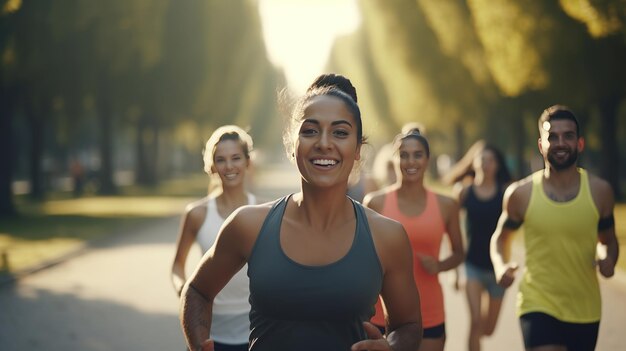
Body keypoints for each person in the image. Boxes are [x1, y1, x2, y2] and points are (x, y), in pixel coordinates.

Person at [180, 74, 422, 351]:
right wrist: (199, 343)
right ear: (290, 145)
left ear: (358, 149)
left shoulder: (387, 236)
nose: (324, 143)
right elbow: (198, 290)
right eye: (309, 131)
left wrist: (393, 348)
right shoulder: (248, 225)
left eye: (340, 132)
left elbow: (409, 326)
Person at [491, 105, 620, 351]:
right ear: (541, 145)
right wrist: (500, 266)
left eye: (568, 136)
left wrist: (608, 258)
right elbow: (500, 238)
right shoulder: (521, 194)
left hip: (585, 308)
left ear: (579, 143)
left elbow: (608, 240)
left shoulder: (600, 192)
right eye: (553, 137)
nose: (560, 143)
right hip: (537, 302)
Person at [363, 127, 465, 351]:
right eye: (404, 155)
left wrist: (439, 265)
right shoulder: (375, 203)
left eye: (417, 154)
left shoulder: (446, 205)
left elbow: (459, 252)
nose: (411, 161)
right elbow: (360, 256)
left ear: (427, 159)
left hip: (429, 312)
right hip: (381, 314)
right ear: (395, 159)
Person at [171, 125, 256, 351]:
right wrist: (187, 294)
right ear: (212, 166)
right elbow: (177, 268)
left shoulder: (263, 211)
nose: (229, 166)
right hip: (209, 334)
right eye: (221, 160)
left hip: (257, 334)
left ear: (247, 161)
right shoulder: (196, 214)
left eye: (236, 158)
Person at [445, 140, 513, 351]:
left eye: (491, 160)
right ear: (473, 163)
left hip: (497, 269)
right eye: (482, 159)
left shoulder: (506, 193)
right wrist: (455, 271)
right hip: (471, 266)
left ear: (497, 165)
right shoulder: (464, 193)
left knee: (487, 329)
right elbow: (452, 232)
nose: (486, 164)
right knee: (475, 322)